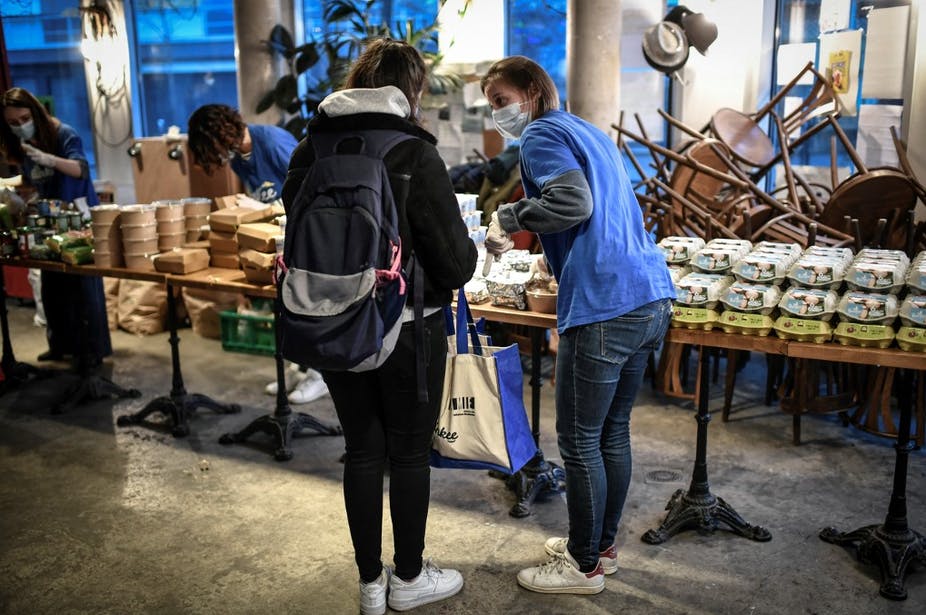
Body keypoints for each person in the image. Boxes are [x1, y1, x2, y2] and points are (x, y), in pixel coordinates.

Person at [281, 38, 477, 614]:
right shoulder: (414, 152)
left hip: (332, 318)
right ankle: (409, 578)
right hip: (409, 326)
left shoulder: (309, 149)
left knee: (362, 451)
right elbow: (456, 266)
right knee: (409, 454)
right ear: (411, 90)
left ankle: (370, 584)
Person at [480, 56, 676, 595]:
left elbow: (571, 202)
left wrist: (510, 217)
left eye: (501, 100)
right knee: (612, 432)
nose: (498, 112)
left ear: (532, 91)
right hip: (648, 296)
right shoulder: (588, 132)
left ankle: (582, 565)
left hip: (604, 306)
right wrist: (556, 256)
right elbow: (603, 213)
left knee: (579, 440)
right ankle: (600, 550)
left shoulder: (540, 134)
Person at [187, 104, 328, 404]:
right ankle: (299, 367)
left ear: (219, 135)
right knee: (286, 307)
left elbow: (312, 189)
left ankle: (321, 375)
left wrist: (263, 208)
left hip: (306, 234)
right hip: (279, 239)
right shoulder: (240, 159)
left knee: (309, 305)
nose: (217, 158)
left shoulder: (273, 144)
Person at [0, 87, 111, 365]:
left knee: (82, 288)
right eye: (12, 123)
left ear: (36, 113)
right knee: (52, 288)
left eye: (24, 119)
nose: (20, 126)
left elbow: (80, 169)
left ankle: (91, 351)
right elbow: (32, 181)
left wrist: (50, 159)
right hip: (49, 223)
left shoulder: (64, 134)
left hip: (77, 219)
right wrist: (17, 195)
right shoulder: (24, 145)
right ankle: (60, 345)